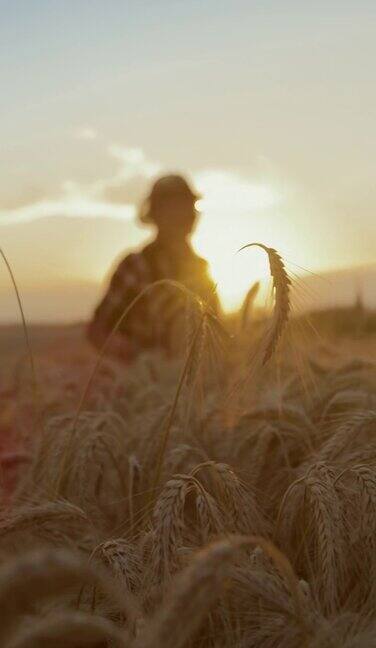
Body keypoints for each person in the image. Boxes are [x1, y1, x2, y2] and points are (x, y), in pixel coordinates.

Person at [87, 174, 220, 362]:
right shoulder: (135, 266)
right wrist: (129, 355)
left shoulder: (201, 269)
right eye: (171, 209)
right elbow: (97, 330)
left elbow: (217, 334)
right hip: (144, 384)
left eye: (184, 207)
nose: (180, 216)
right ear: (155, 215)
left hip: (194, 386)